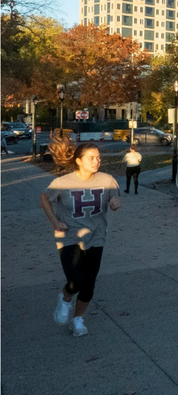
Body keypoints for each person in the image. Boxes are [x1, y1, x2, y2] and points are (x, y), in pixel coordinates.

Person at [40, 140, 121, 337]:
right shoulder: (62, 183)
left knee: (89, 283)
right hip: (69, 236)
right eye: (91, 158)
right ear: (78, 160)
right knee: (76, 280)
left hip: (96, 237)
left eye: (99, 158)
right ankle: (65, 297)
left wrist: (114, 202)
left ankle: (77, 320)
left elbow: (115, 198)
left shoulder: (107, 180)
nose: (97, 161)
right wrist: (54, 221)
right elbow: (44, 198)